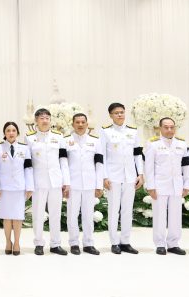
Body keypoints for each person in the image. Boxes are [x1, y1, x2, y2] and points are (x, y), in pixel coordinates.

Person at [97, 102, 144, 254]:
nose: (120, 115)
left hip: (130, 176)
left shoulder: (133, 131)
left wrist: (140, 174)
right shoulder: (105, 131)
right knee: (113, 210)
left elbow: (137, 154)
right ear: (111, 115)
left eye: (122, 112)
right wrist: (104, 176)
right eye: (116, 113)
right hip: (113, 176)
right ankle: (114, 242)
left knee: (128, 210)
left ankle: (125, 242)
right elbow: (102, 155)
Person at [144, 117, 189, 255]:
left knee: (176, 216)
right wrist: (151, 186)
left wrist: (187, 185)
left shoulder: (182, 144)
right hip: (159, 185)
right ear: (160, 128)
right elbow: (148, 167)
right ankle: (160, 244)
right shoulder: (153, 144)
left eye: (172, 127)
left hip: (177, 185)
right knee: (159, 215)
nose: (169, 130)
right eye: (166, 127)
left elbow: (186, 166)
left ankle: (173, 244)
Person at [26, 108, 70, 256]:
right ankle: (39, 243)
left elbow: (63, 160)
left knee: (56, 213)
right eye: (41, 118)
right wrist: (29, 184)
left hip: (56, 181)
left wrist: (66, 182)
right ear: (36, 121)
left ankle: (55, 244)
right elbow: (28, 164)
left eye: (47, 118)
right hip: (38, 181)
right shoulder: (29, 138)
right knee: (38, 213)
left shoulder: (59, 137)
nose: (45, 121)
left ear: (50, 120)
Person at [0, 122, 33, 255]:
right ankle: (8, 242)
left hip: (20, 188)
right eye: (8, 130)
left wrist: (29, 187)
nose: (11, 133)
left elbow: (28, 168)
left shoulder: (24, 148)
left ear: (17, 133)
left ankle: (17, 243)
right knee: (7, 217)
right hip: (4, 189)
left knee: (18, 217)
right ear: (4, 133)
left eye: (13, 130)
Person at [65, 113, 104, 255]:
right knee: (72, 215)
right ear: (73, 124)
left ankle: (88, 243)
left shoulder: (95, 141)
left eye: (83, 122)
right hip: (73, 184)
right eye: (77, 122)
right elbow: (63, 164)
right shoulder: (66, 140)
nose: (80, 125)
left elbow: (99, 164)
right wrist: (65, 183)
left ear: (87, 124)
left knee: (88, 215)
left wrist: (99, 185)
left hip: (89, 184)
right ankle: (74, 243)